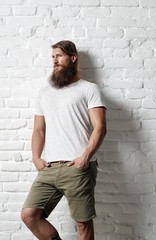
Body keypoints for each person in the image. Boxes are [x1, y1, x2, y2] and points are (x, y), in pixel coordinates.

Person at [21, 40, 107, 240]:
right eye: (52, 57)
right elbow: (39, 130)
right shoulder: (44, 93)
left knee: (83, 224)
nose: (54, 61)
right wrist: (35, 157)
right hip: (49, 167)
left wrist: (85, 157)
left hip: (77, 167)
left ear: (73, 58)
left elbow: (100, 127)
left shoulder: (89, 89)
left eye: (59, 56)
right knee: (29, 215)